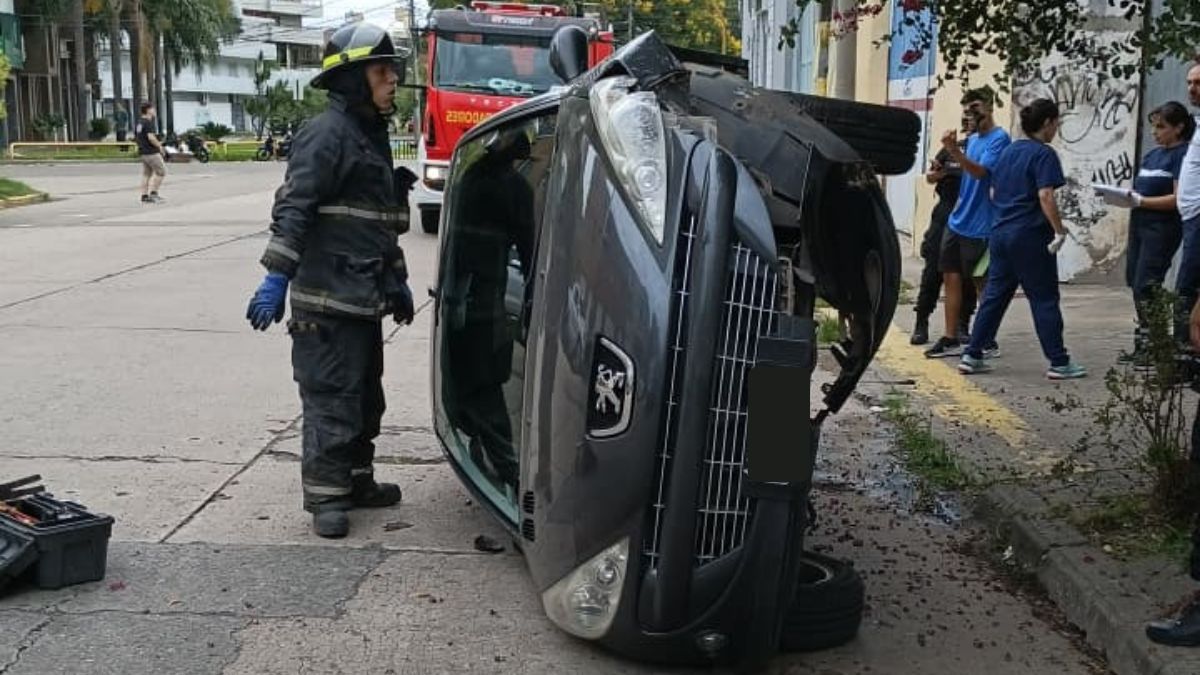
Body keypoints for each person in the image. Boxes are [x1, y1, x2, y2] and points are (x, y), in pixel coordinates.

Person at [244, 21, 415, 539]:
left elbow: (378, 225)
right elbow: (294, 208)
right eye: (383, 71)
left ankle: (357, 481)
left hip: (362, 298)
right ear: (353, 78)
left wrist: (398, 280)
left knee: (366, 398)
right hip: (325, 300)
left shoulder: (369, 135)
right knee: (331, 398)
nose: (393, 81)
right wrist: (277, 277)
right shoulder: (326, 134)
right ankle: (326, 497)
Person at [957, 99, 1086, 380]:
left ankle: (973, 354)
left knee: (994, 296)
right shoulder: (1044, 154)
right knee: (1044, 298)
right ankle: (1059, 361)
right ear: (1048, 123)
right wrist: (1059, 230)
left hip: (1000, 234)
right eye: (1056, 124)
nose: (1056, 129)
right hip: (1029, 235)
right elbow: (1045, 195)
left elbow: (993, 193)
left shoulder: (1009, 152)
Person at [925, 87, 1011, 358]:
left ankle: (986, 338)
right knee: (950, 276)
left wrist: (955, 151)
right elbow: (961, 172)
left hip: (982, 223)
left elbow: (980, 171)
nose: (971, 115)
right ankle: (951, 336)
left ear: (989, 107)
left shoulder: (999, 139)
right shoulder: (972, 140)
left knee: (981, 282)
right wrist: (944, 167)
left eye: (976, 108)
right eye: (967, 109)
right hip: (958, 220)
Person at [1109, 102, 1194, 362]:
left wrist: (1142, 202)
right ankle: (1144, 340)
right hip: (1140, 225)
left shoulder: (1183, 156)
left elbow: (1179, 198)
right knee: (1135, 281)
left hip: (1162, 228)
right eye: (1153, 127)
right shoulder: (1151, 156)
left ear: (1178, 128)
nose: (1155, 133)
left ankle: (1156, 344)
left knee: (1148, 283)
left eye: (1161, 127)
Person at [912, 113, 976, 346]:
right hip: (945, 215)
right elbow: (931, 176)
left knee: (966, 274)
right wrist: (937, 174)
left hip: (969, 218)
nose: (968, 125)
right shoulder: (950, 150)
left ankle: (962, 324)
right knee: (933, 272)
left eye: (973, 120)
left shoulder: (983, 151)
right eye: (966, 120)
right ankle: (921, 320)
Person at [1173, 62, 1200, 345]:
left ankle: (1182, 356)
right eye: (1190, 82)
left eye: (1198, 83)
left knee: (1186, 288)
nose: (1192, 88)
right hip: (1191, 217)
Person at [134, 102, 166, 204]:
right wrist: (159, 146)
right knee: (161, 172)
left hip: (143, 152)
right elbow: (151, 137)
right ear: (148, 110)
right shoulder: (148, 122)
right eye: (153, 109)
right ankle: (154, 193)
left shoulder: (139, 123)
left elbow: (139, 137)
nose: (154, 111)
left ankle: (144, 196)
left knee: (146, 174)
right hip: (151, 152)